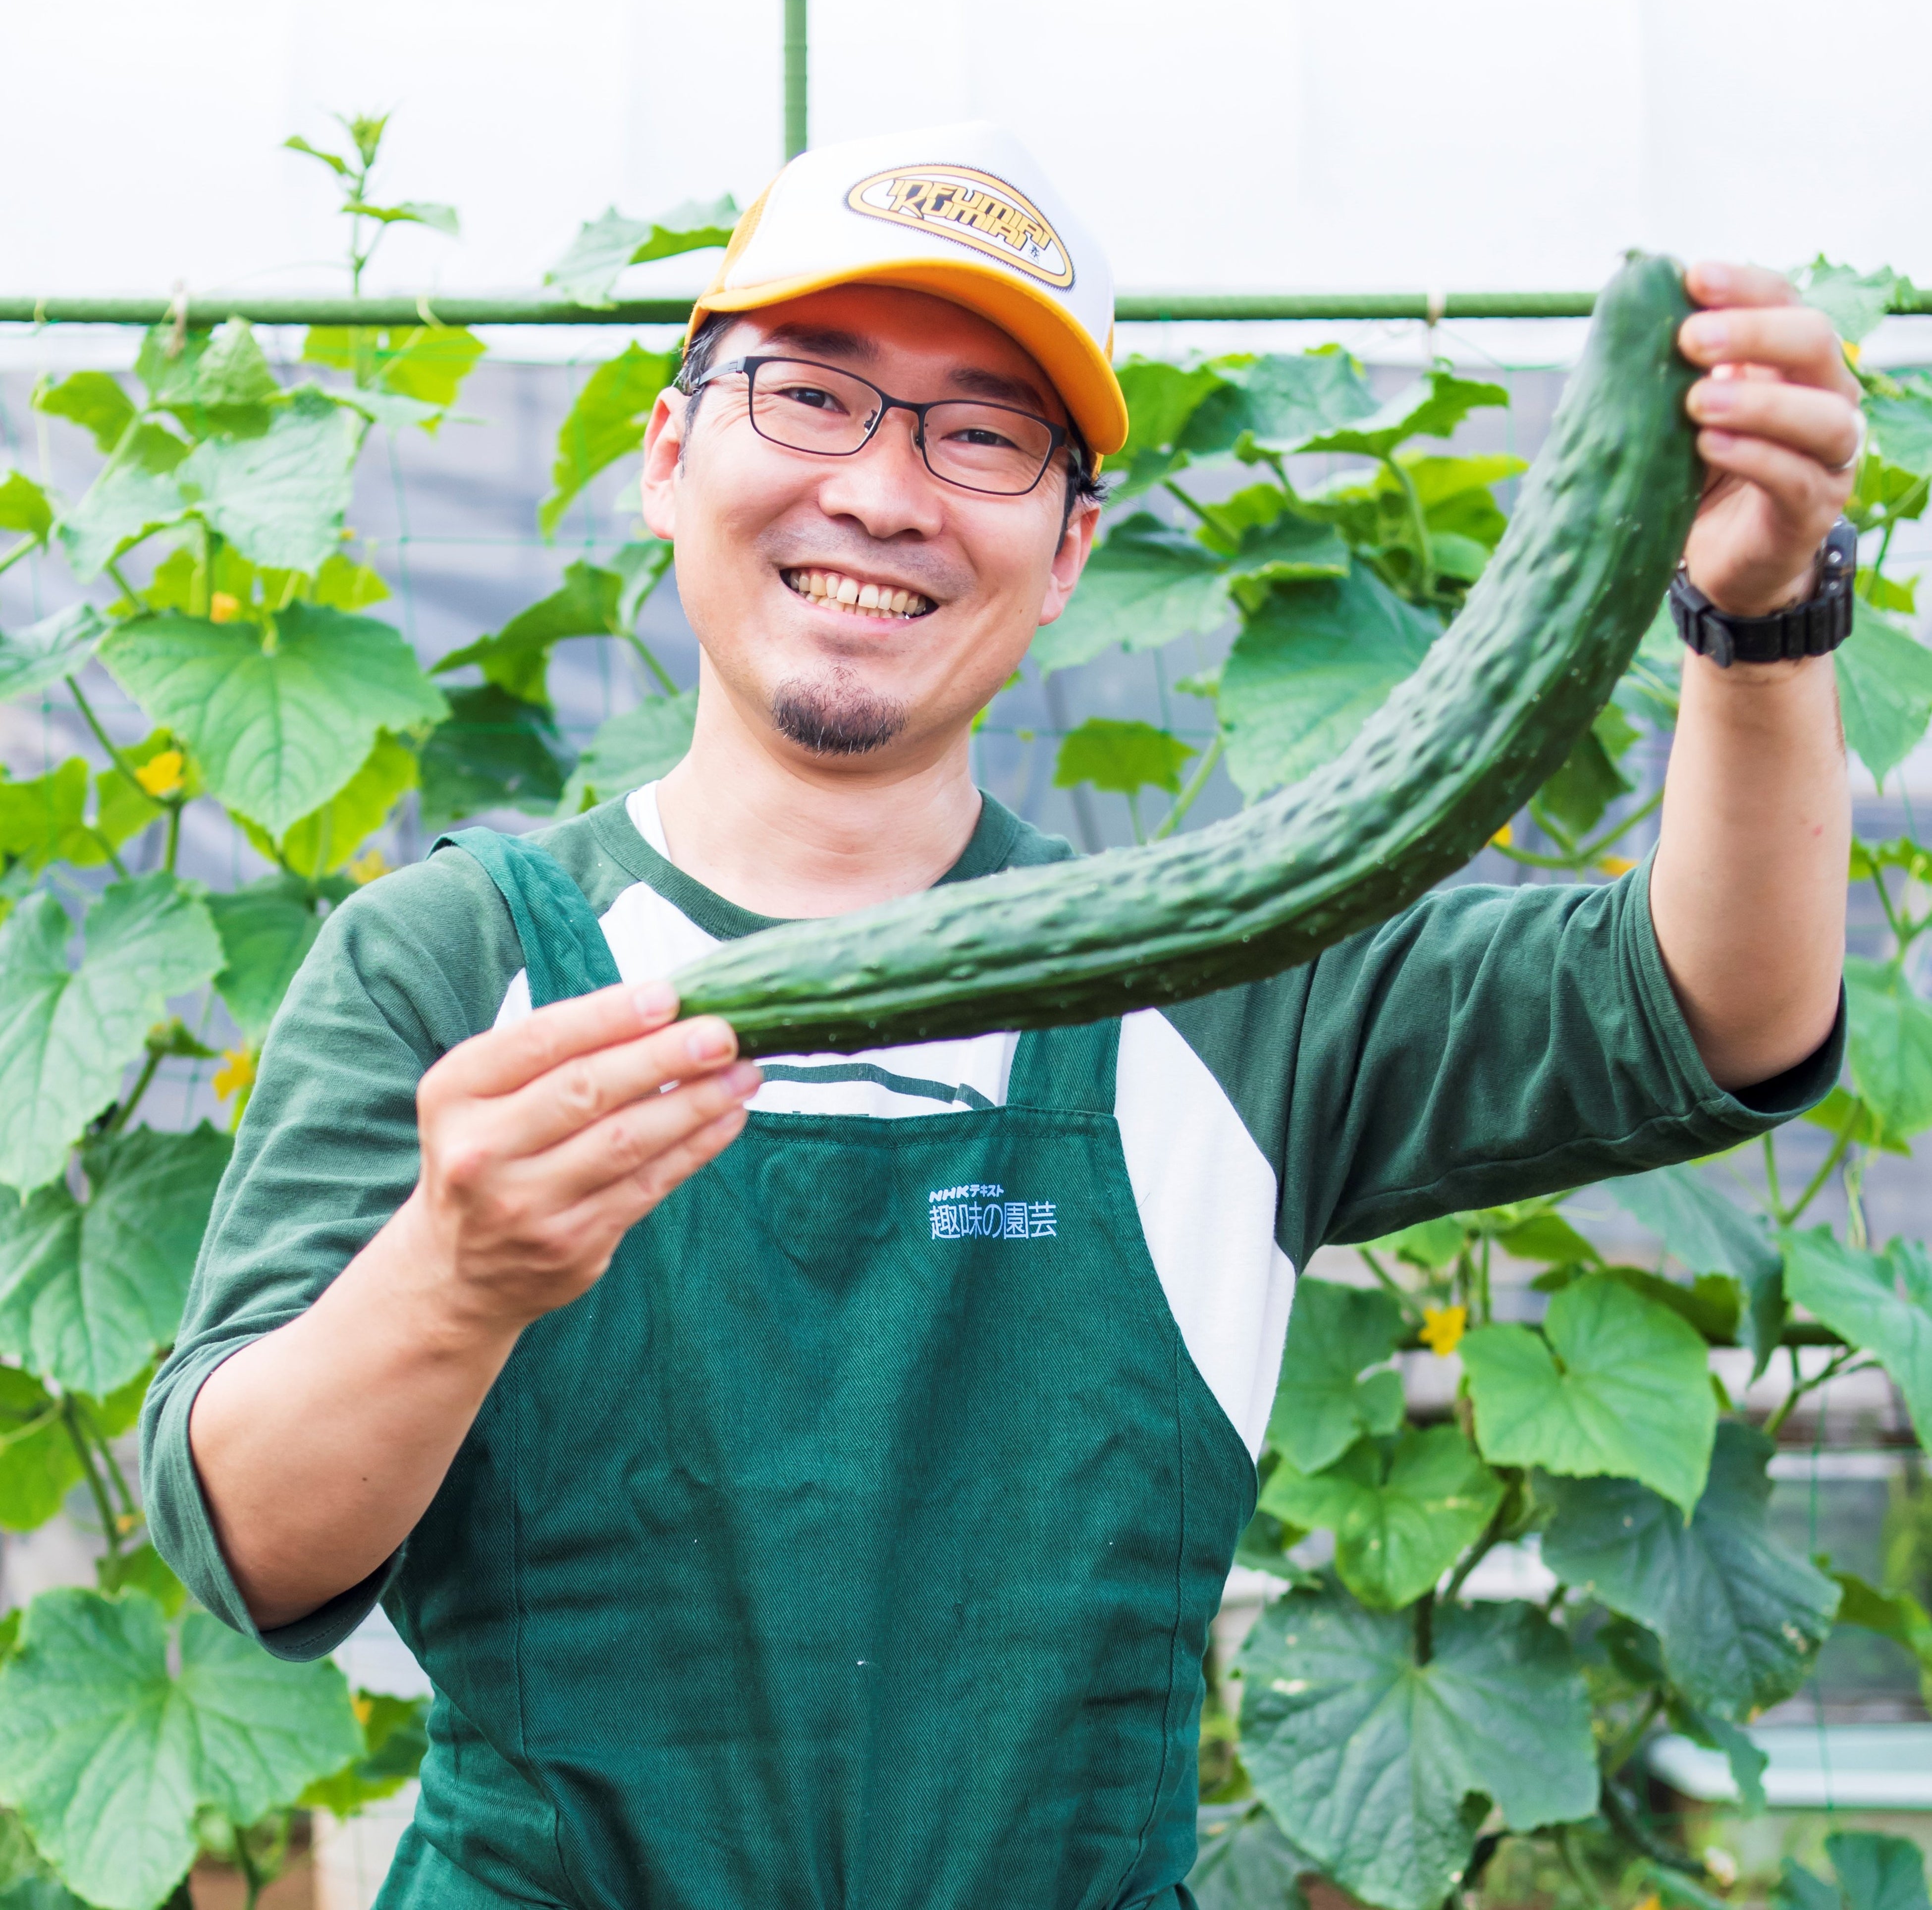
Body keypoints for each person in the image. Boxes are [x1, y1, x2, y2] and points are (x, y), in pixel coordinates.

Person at [144, 121, 1861, 1910]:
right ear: (665, 455)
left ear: (1064, 551)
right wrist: (456, 1269)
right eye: (812, 394)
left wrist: (1759, 617)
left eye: (981, 435)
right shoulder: (448, 961)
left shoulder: (1224, 980)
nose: (886, 492)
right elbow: (249, 1544)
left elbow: (1717, 1006)